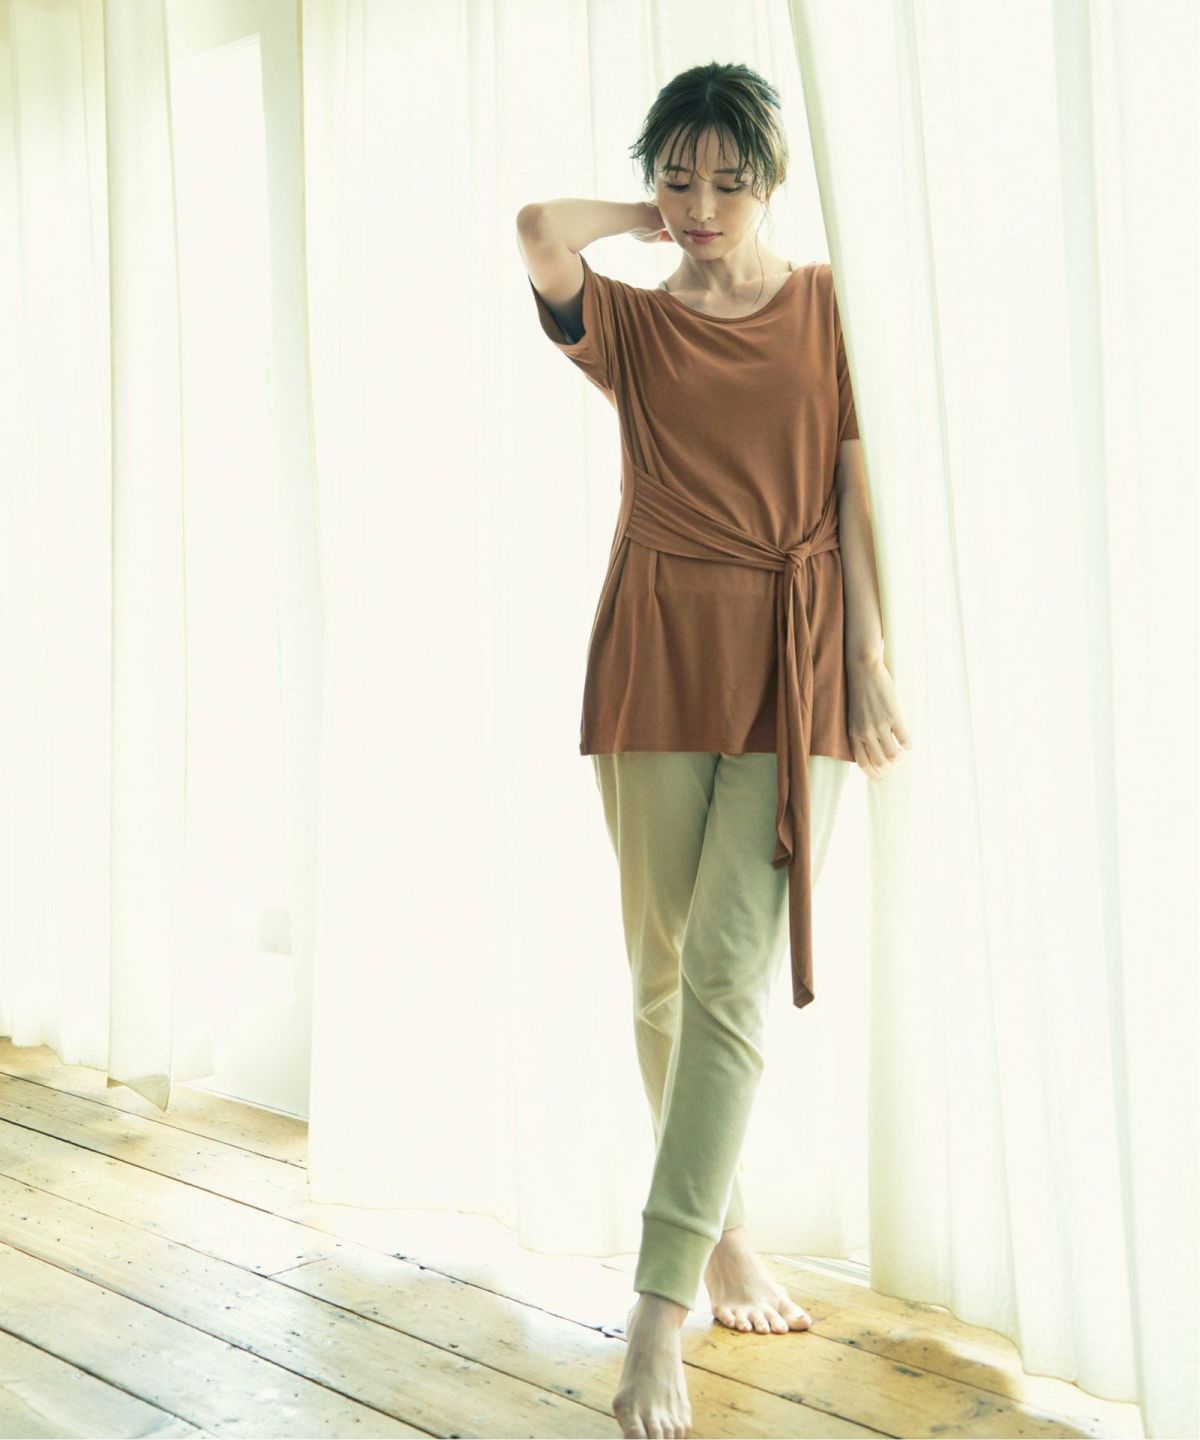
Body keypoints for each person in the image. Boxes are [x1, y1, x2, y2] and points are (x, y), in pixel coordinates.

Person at [516, 60, 911, 1440]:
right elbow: (537, 232)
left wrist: (870, 662)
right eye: (679, 177)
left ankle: (655, 1309)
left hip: (800, 656)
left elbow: (856, 486)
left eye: (729, 180)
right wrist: (655, 215)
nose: (701, 204)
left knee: (729, 972)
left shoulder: (830, 305)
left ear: (774, 180)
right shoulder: (631, 324)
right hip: (657, 647)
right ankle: (727, 1234)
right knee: (662, 967)